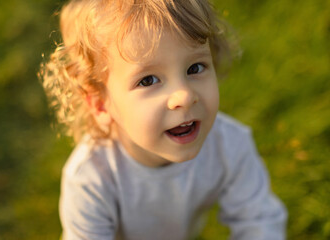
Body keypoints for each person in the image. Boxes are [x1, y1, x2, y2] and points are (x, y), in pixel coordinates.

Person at [40, 0, 287, 239]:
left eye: (195, 68)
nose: (185, 96)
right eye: (148, 80)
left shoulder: (229, 145)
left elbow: (259, 221)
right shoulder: (91, 180)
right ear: (101, 105)